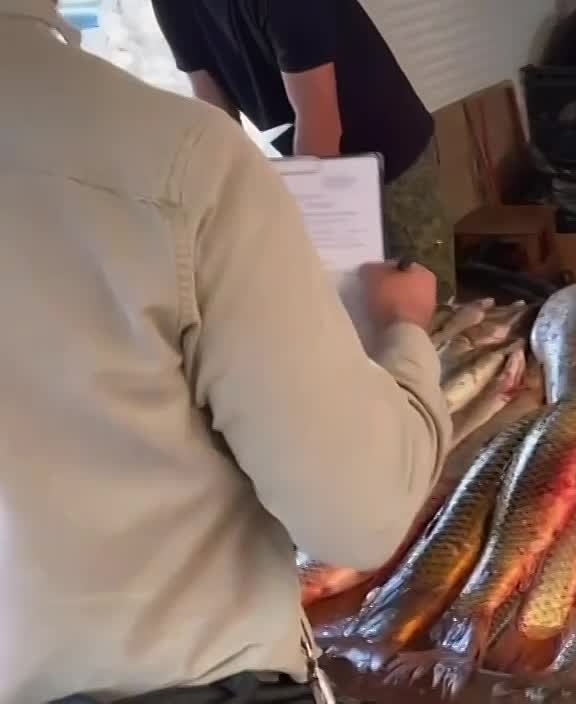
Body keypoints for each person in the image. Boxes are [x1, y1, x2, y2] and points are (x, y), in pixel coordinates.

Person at [0, 1, 451, 701]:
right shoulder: (178, 157)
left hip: (382, 158)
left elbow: (320, 121)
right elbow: (359, 517)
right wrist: (404, 334)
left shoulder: (185, 161)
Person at [151, 0, 458, 301]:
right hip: (307, 151)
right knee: (345, 303)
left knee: (420, 300)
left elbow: (319, 123)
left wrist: (311, 235)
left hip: (389, 153)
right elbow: (216, 115)